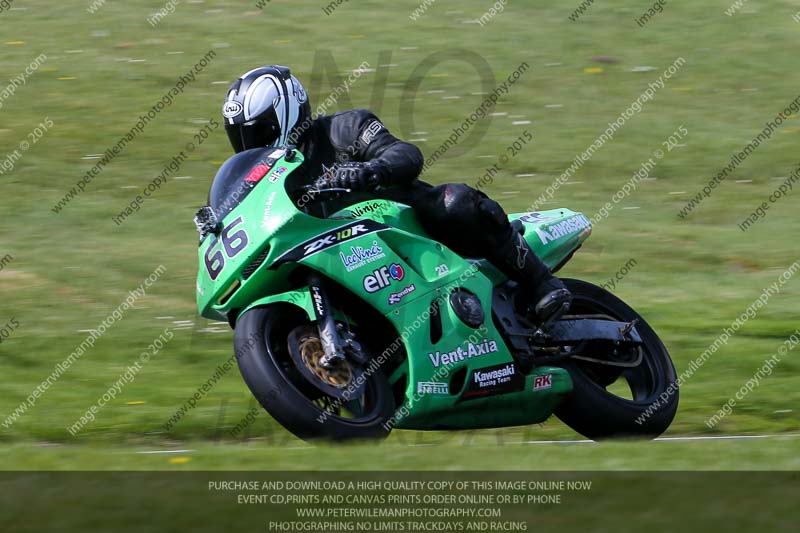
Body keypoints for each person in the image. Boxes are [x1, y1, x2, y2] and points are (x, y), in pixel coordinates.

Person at [221, 65, 571, 324]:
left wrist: (371, 171)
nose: (251, 145)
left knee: (453, 203)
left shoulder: (344, 129)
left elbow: (406, 154)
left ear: (288, 112)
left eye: (260, 132)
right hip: (348, 261)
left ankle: (541, 282)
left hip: (408, 228)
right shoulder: (268, 179)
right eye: (241, 137)